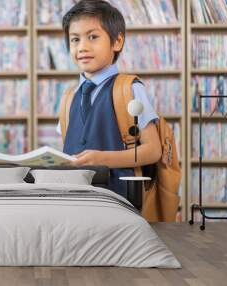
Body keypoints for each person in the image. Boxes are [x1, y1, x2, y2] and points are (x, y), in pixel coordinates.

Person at [58, 0, 162, 197]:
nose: (82, 47)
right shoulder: (68, 98)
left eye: (93, 37)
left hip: (117, 199)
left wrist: (103, 158)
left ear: (117, 42)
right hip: (74, 198)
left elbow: (153, 150)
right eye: (75, 39)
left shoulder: (129, 89)